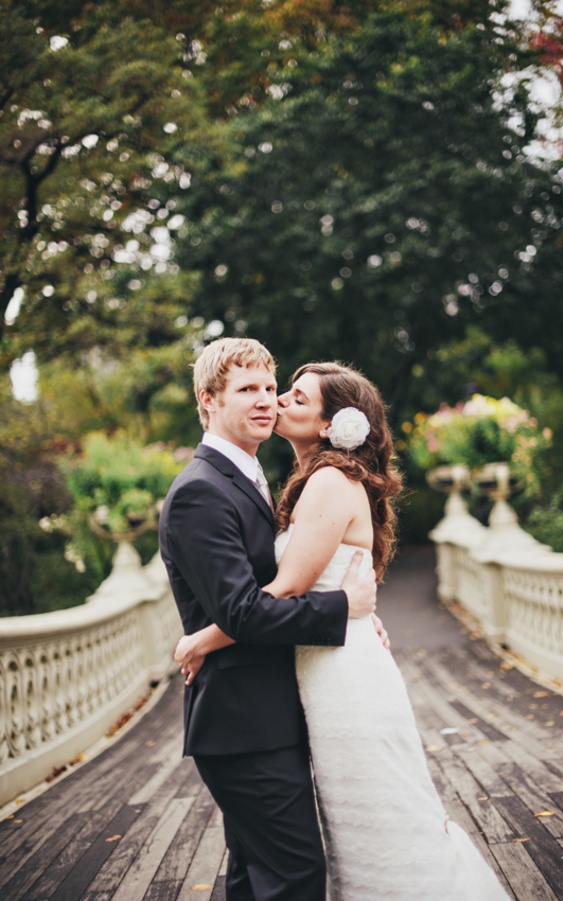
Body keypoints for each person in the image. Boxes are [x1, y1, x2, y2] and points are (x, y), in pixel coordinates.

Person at [176, 361, 510, 901]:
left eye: (295, 398)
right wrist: (348, 604)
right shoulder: (307, 480)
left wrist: (203, 638)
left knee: (381, 815)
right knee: (355, 827)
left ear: (334, 425)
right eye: (275, 391)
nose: (279, 401)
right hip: (319, 669)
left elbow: (286, 587)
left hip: (342, 678)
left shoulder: (330, 482)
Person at [158, 339, 378, 901]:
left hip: (265, 715)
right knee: (296, 876)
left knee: (259, 879)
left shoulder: (250, 476)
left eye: (267, 388)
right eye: (245, 390)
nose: (264, 401)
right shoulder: (200, 492)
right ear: (207, 401)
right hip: (243, 724)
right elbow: (243, 612)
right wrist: (341, 608)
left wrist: (204, 640)